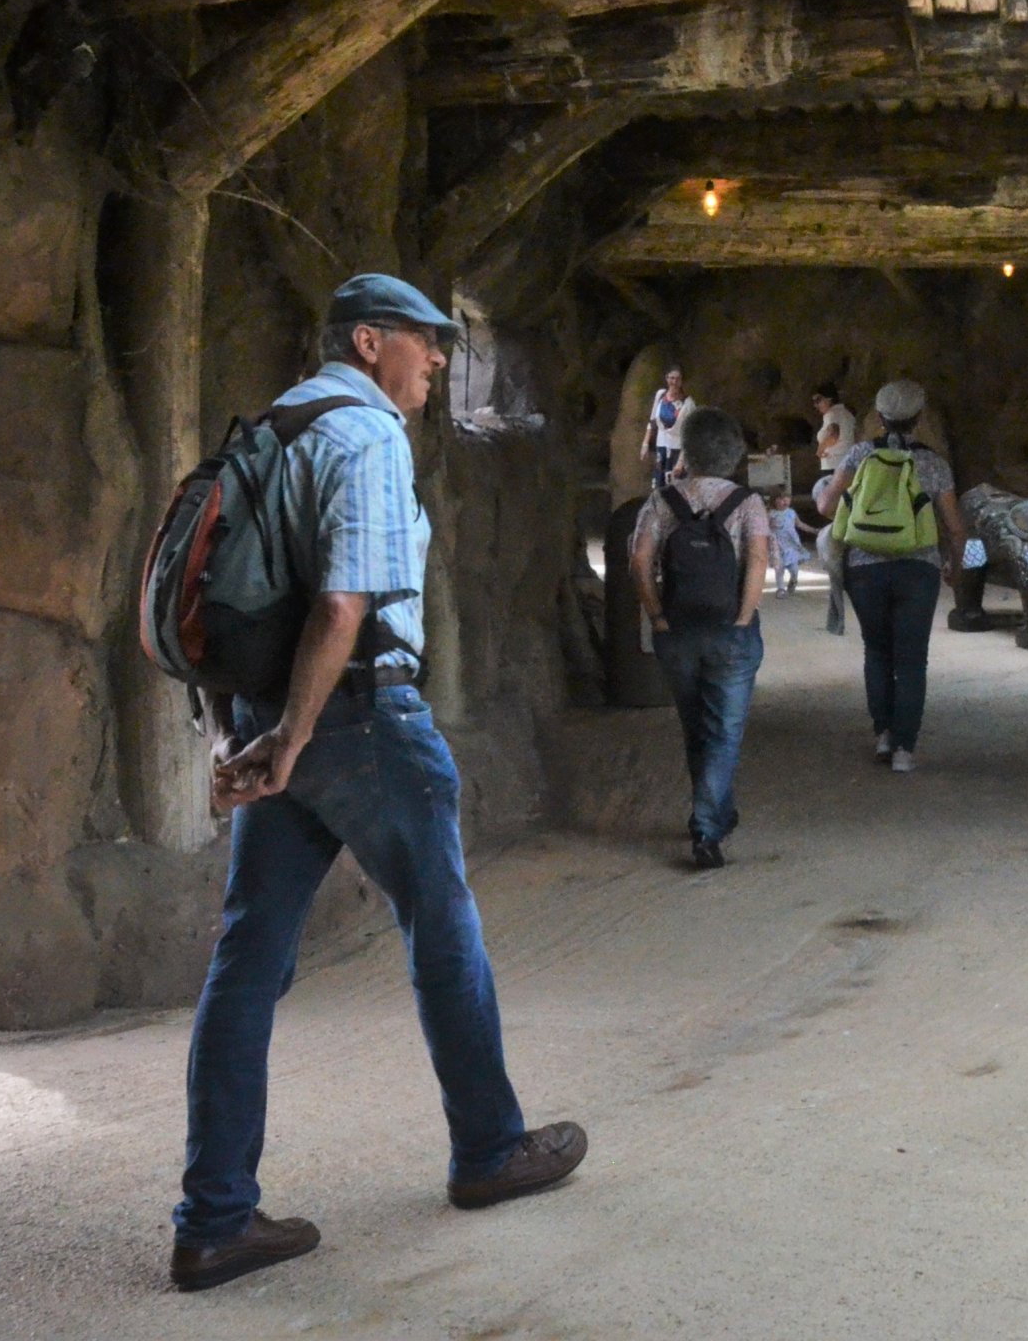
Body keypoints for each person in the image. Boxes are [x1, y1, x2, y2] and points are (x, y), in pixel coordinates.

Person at [173, 274, 585, 1291]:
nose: (439, 360)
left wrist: (254, 735)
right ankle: (489, 1150)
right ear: (369, 341)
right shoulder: (364, 437)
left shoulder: (272, 427)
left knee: (247, 963)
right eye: (424, 341)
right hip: (357, 717)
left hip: (281, 716)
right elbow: (342, 605)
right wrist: (301, 737)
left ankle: (215, 1219)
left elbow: (239, 605)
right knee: (444, 932)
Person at [632, 406, 771, 870]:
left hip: (679, 630)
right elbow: (756, 561)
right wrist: (744, 616)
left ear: (687, 451)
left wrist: (656, 616)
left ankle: (716, 812)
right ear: (734, 454)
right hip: (729, 629)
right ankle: (707, 828)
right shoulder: (747, 503)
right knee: (725, 731)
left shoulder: (662, 501)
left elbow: (639, 561)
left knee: (697, 727)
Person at [819, 378, 966, 772]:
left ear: (880, 417)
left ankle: (883, 734)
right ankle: (904, 750)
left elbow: (827, 508)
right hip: (919, 569)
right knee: (912, 660)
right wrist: (955, 564)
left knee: (877, 651)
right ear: (918, 418)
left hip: (865, 570)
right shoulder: (934, 463)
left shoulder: (859, 455)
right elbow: (954, 525)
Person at [810, 385, 856, 636]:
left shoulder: (832, 416)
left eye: (818, 399)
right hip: (845, 467)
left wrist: (819, 450)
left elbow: (832, 433)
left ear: (828, 398)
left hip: (833, 468)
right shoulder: (848, 413)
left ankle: (836, 621)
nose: (816, 405)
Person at [646, 369, 694, 485]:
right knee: (659, 487)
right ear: (667, 379)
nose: (674, 382)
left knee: (676, 487)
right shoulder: (660, 395)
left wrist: (681, 461)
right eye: (671, 378)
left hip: (677, 450)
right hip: (661, 447)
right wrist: (645, 443)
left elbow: (690, 434)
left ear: (682, 381)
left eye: (678, 379)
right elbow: (652, 421)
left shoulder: (688, 403)